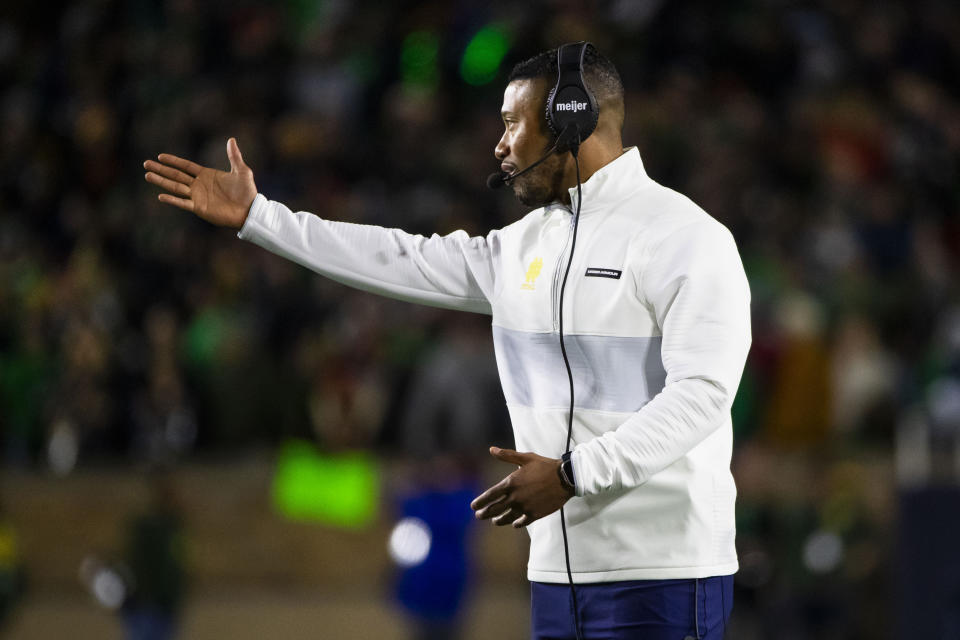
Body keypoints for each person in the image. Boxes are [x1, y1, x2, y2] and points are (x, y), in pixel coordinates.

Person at [144, 43, 751, 640]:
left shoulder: (687, 239)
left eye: (513, 124)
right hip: (557, 577)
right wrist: (262, 218)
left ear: (573, 119)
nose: (500, 146)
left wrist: (572, 474)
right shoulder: (522, 247)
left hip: (666, 571)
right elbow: (397, 258)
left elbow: (701, 396)